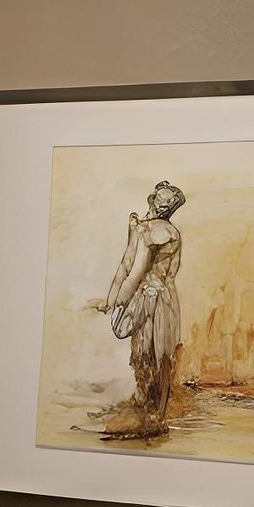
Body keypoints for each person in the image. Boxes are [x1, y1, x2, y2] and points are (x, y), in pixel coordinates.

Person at [93, 179, 186, 436]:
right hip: (168, 299)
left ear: (156, 204)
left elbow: (132, 271)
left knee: (144, 354)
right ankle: (156, 416)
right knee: (162, 357)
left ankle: (147, 416)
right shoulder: (173, 233)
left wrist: (114, 302)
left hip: (147, 299)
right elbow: (146, 269)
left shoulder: (145, 231)